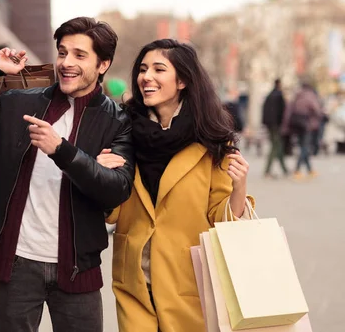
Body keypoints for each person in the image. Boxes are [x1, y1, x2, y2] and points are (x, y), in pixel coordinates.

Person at [0, 17, 135, 332]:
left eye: (79, 55)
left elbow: (116, 190)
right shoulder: (21, 102)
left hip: (77, 266)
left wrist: (62, 150)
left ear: (103, 64)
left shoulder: (118, 121)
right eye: (62, 52)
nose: (66, 63)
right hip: (15, 262)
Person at [97, 39, 254, 332]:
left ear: (182, 80)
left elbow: (221, 220)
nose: (147, 77)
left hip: (189, 284)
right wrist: (102, 176)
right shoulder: (122, 130)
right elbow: (113, 211)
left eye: (159, 69)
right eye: (143, 69)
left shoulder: (212, 139)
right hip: (135, 281)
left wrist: (239, 187)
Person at [283, 80, 322, 180]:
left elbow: (289, 110)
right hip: (306, 124)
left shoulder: (297, 95)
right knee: (305, 147)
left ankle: (309, 170)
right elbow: (316, 109)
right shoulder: (310, 95)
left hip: (296, 124)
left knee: (303, 146)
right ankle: (297, 169)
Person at [262, 79, 289, 178]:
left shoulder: (269, 95)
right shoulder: (279, 95)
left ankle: (284, 169)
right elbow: (283, 111)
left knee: (278, 146)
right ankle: (267, 170)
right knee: (275, 146)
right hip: (276, 125)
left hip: (270, 125)